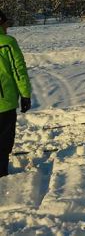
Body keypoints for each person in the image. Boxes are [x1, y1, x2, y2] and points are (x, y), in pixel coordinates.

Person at [0, 10, 32, 177]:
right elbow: (18, 71)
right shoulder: (7, 42)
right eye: (5, 23)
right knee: (4, 142)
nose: (7, 26)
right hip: (4, 103)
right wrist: (25, 95)